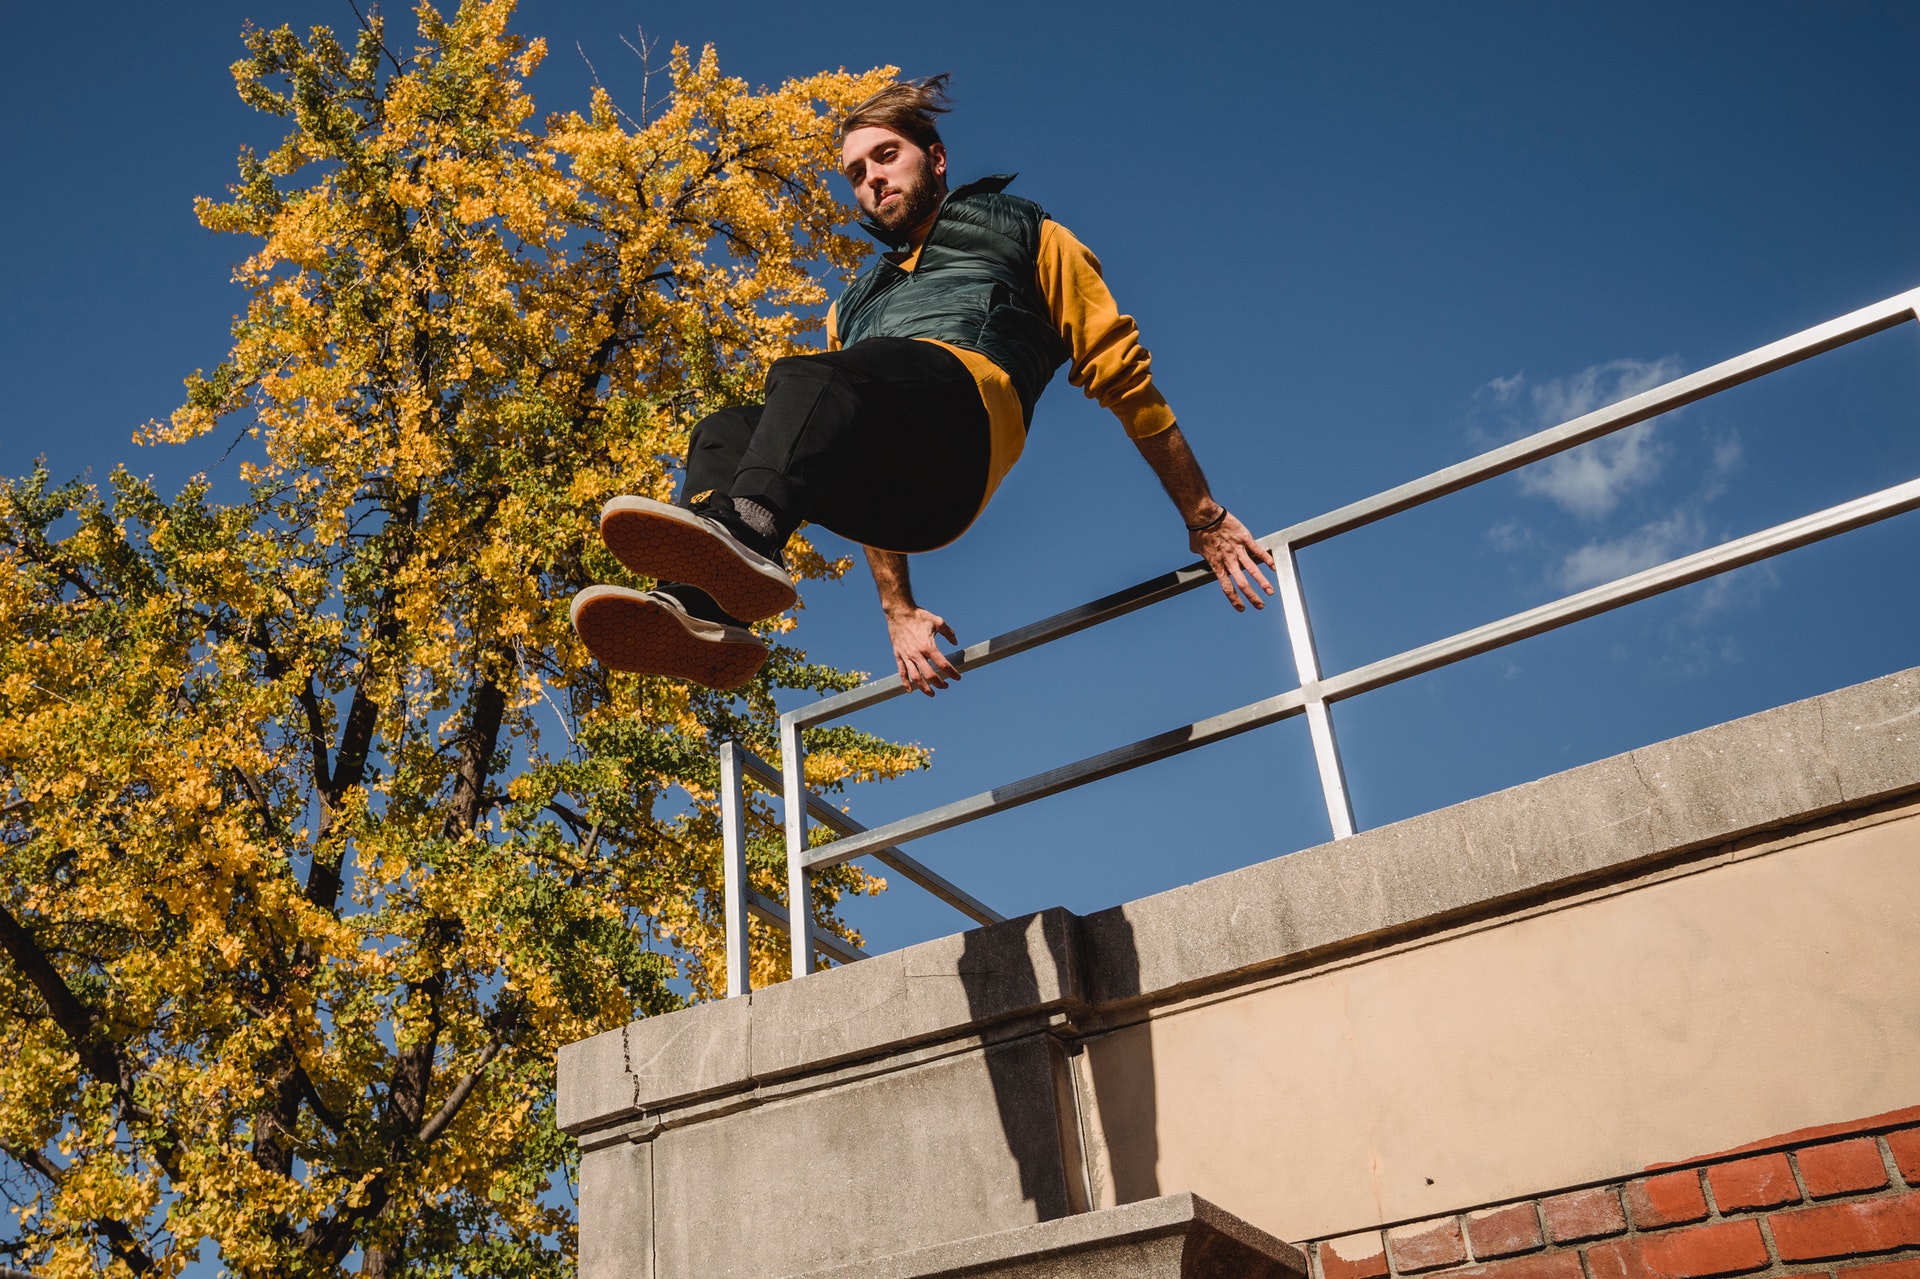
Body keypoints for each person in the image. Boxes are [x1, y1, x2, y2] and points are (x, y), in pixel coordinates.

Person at [571, 75, 1275, 693]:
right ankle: (699, 613)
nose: (872, 179)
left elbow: (1119, 369)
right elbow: (836, 429)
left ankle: (745, 531)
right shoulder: (849, 306)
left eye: (886, 156)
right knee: (727, 427)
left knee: (812, 380)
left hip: (963, 428)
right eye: (855, 172)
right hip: (902, 498)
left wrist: (1202, 514)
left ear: (934, 159)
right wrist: (897, 609)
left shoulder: (1022, 229)